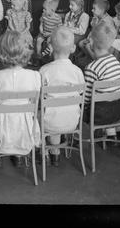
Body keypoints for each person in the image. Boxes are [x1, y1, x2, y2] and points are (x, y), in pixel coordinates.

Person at [0, 31, 41, 168]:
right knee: (20, 117)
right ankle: (19, 156)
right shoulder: (35, 76)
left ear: (0, 52)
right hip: (25, 126)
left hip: (0, 126)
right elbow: (33, 103)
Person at [39, 26, 85, 167]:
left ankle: (48, 153)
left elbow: (40, 97)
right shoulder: (77, 72)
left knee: (40, 112)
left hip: (50, 122)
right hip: (73, 121)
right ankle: (56, 151)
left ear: (51, 47)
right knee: (60, 110)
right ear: (73, 48)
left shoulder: (44, 71)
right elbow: (81, 95)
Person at [83, 23, 120, 140]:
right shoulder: (115, 61)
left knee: (79, 106)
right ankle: (112, 133)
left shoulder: (91, 68)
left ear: (91, 42)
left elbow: (86, 98)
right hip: (118, 110)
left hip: (99, 114)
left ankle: (85, 135)